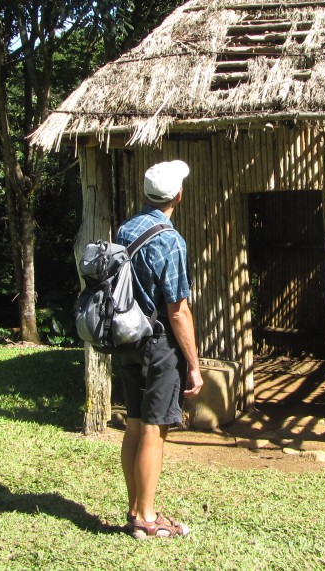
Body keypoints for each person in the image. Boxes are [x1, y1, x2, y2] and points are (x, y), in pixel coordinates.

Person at [115, 159, 203, 539]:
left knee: (134, 424)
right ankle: (148, 518)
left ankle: (136, 509)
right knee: (155, 429)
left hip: (126, 339)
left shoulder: (124, 230)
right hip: (158, 345)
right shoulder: (170, 240)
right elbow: (178, 311)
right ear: (178, 196)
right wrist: (194, 364)